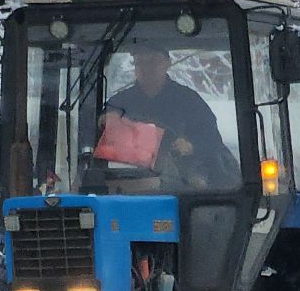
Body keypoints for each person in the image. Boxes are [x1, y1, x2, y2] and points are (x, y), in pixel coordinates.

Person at [100, 48, 237, 189]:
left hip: (184, 177)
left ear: (167, 63)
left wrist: (191, 146)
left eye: (154, 61)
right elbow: (96, 131)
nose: (147, 68)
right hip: (132, 176)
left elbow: (211, 138)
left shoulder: (189, 100)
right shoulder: (119, 102)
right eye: (140, 63)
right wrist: (106, 120)